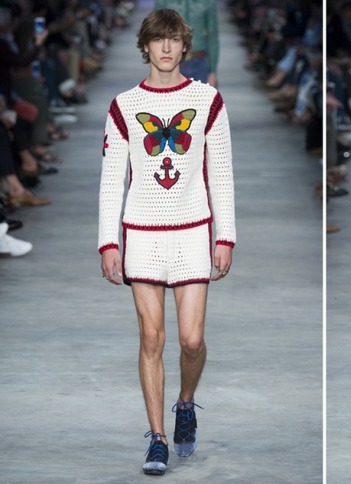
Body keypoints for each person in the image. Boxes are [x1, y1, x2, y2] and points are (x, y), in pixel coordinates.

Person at [98, 8, 235, 476]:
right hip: (142, 232)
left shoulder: (207, 100)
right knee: (151, 337)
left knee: (191, 340)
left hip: (193, 229)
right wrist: (108, 242)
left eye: (174, 39)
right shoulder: (124, 106)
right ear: (146, 46)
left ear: (185, 46)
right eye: (159, 40)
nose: (167, 48)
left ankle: (186, 402)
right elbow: (111, 180)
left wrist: (226, 235)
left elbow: (221, 174)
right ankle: (157, 438)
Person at [154, 0, 220, 87]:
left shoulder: (207, 2)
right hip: (172, 62)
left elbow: (212, 36)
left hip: (199, 62)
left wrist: (212, 71)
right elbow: (156, 34)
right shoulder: (163, 2)